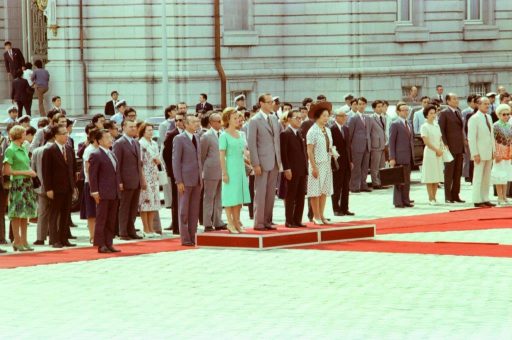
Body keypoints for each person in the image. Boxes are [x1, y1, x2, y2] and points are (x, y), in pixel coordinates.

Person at [247, 93, 282, 231]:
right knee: (260, 193)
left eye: (271, 102)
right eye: (268, 102)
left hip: (274, 161)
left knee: (270, 194)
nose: (271, 104)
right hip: (261, 162)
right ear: (261, 103)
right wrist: (255, 163)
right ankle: (259, 222)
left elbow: (276, 141)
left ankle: (268, 220)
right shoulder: (254, 120)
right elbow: (251, 144)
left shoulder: (274, 118)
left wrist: (279, 160)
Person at [2, 125, 37, 251]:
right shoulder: (11, 149)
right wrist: (26, 173)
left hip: (26, 184)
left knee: (25, 213)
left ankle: (24, 240)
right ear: (18, 135)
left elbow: (24, 165)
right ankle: (17, 240)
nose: (25, 135)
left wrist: (29, 172)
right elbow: (6, 171)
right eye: (23, 133)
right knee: (17, 213)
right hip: (18, 184)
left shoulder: (23, 148)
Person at [42, 125, 77, 248]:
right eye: (63, 133)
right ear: (56, 136)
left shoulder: (69, 149)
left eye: (67, 133)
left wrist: (74, 187)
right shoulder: (49, 150)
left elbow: (72, 170)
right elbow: (46, 171)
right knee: (54, 214)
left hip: (68, 187)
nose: (66, 136)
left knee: (65, 214)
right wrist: (48, 188)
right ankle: (54, 239)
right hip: (55, 188)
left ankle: (64, 238)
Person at [217, 108, 251, 233]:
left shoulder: (240, 134)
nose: (238, 120)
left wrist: (250, 159)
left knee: (239, 197)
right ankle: (230, 223)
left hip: (240, 168)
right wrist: (224, 173)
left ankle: (237, 222)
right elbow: (221, 156)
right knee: (230, 197)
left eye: (238, 118)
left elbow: (244, 152)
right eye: (235, 118)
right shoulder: (224, 135)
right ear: (228, 119)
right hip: (230, 167)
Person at [89, 129, 122, 253]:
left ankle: (109, 243)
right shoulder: (96, 154)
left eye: (110, 137)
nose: (110, 139)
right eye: (107, 137)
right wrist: (94, 191)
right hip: (102, 192)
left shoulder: (111, 153)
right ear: (99, 140)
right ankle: (101, 244)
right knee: (102, 218)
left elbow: (116, 172)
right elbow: (93, 175)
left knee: (111, 219)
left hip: (114, 192)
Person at [172, 114, 202, 246]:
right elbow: (176, 161)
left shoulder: (197, 137)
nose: (197, 124)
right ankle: (185, 238)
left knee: (194, 210)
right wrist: (178, 181)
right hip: (185, 179)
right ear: (186, 124)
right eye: (194, 122)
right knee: (184, 210)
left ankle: (192, 235)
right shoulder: (179, 139)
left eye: (198, 121)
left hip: (197, 179)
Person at [112, 120, 145, 240]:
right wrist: (119, 181)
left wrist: (141, 180)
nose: (133, 129)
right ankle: (123, 232)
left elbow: (138, 164)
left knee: (133, 208)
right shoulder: (119, 143)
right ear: (123, 127)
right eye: (130, 127)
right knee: (124, 208)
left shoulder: (136, 143)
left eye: (135, 126)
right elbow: (117, 165)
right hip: (125, 181)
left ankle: (131, 230)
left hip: (136, 181)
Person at [306, 101, 334, 224]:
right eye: (324, 116)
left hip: (327, 163)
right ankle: (316, 216)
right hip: (316, 164)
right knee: (315, 191)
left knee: (324, 191)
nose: (326, 118)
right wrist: (314, 167)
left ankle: (322, 215)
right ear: (318, 116)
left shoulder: (327, 130)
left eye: (327, 116)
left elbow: (329, 146)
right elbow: (309, 151)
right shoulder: (312, 131)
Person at [280, 109, 307, 227]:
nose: (299, 120)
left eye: (300, 118)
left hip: (301, 168)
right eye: (296, 117)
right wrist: (286, 168)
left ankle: (298, 219)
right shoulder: (285, 134)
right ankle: (289, 220)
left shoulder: (300, 132)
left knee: (301, 196)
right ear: (289, 119)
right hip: (291, 169)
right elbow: (283, 153)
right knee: (291, 195)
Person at [200, 113, 226, 232]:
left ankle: (218, 221)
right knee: (209, 197)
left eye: (220, 121)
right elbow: (202, 155)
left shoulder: (223, 134)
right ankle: (207, 223)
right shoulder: (206, 136)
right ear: (211, 123)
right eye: (217, 121)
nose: (220, 123)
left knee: (219, 197)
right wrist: (203, 171)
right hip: (211, 170)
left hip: (222, 170)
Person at [468, 97, 496, 208]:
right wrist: (475, 153)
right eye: (485, 103)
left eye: (488, 104)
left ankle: (485, 198)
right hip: (479, 152)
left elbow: (492, 136)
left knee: (486, 177)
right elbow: (471, 137)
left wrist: (494, 151)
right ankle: (477, 199)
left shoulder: (488, 117)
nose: (487, 106)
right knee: (478, 176)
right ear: (478, 105)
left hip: (489, 152)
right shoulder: (474, 118)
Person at [439, 93, 465, 203]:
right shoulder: (444, 113)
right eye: (454, 99)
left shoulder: (458, 112)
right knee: (449, 172)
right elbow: (441, 130)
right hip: (449, 146)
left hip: (459, 146)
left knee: (458, 173)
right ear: (448, 101)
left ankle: (456, 194)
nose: (456, 100)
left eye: (457, 98)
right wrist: (445, 144)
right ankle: (448, 196)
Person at [389, 103, 415, 208]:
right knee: (399, 180)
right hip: (399, 156)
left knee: (407, 180)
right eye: (403, 110)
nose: (406, 112)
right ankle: (398, 201)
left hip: (408, 156)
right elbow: (391, 142)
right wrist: (392, 158)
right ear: (398, 112)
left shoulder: (409, 123)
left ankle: (406, 200)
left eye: (407, 110)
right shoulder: (395, 124)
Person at [138, 123, 161, 238]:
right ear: (143, 132)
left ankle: (151, 228)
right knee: (145, 202)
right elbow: (140, 163)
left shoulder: (155, 143)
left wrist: (158, 161)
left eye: (152, 130)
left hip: (154, 174)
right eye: (148, 130)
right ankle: (145, 229)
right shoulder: (141, 144)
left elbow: (158, 158)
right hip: (145, 174)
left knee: (153, 203)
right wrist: (142, 179)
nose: (151, 132)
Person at [162, 112, 184, 234]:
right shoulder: (171, 134)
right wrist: (172, 171)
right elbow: (166, 155)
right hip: (176, 173)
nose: (178, 122)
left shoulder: (190, 134)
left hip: (187, 173)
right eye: (177, 120)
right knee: (176, 200)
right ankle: (176, 226)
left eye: (181, 120)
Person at [420, 105, 445, 205]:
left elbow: (440, 138)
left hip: (438, 152)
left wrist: (441, 149)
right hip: (430, 153)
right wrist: (436, 150)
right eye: (431, 113)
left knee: (436, 176)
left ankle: (434, 197)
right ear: (426, 115)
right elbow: (426, 141)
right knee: (430, 176)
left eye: (434, 113)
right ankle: (430, 198)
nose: (433, 115)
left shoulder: (436, 125)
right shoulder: (424, 126)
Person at [331, 108, 353, 216]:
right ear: (336, 117)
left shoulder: (346, 129)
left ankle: (345, 208)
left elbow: (349, 147)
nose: (345, 118)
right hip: (337, 163)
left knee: (346, 187)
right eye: (342, 116)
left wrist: (351, 160)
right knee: (337, 186)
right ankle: (336, 208)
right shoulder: (332, 129)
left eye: (345, 116)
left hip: (347, 162)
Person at [347, 97, 371, 193]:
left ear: (365, 105)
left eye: (363, 104)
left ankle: (363, 185)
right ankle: (354, 186)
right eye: (359, 104)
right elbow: (350, 134)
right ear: (356, 105)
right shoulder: (353, 118)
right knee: (356, 168)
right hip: (356, 147)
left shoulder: (367, 117)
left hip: (366, 145)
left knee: (365, 167)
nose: (361, 106)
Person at [80, 128, 99, 243]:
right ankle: (92, 236)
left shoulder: (100, 149)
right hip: (91, 184)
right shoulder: (89, 150)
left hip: (101, 183)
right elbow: (88, 170)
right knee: (92, 212)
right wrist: (93, 186)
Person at [491, 104, 512, 205]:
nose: (507, 116)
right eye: (504, 114)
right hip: (499, 153)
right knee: (499, 176)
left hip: (507, 154)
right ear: (499, 115)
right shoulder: (495, 125)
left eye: (508, 114)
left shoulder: (510, 126)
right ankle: (500, 197)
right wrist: (496, 154)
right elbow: (494, 141)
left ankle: (504, 196)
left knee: (506, 176)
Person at [369, 100, 387, 189]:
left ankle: (381, 182)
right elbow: (368, 132)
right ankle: (375, 183)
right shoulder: (371, 118)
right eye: (378, 107)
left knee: (382, 165)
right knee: (375, 165)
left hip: (382, 144)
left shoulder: (383, 117)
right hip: (375, 145)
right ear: (374, 108)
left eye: (381, 106)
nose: (380, 108)